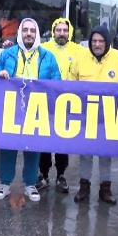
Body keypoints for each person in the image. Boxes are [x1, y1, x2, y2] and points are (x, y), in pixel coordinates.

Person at [0, 18, 61, 202]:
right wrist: (0, 75)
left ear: (37, 34)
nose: (28, 33)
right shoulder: (8, 54)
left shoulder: (48, 56)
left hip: (37, 109)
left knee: (33, 147)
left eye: (32, 30)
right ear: (20, 33)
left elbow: (57, 81)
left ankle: (30, 184)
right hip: (11, 108)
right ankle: (4, 184)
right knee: (8, 145)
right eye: (25, 30)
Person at [70, 25, 118, 205]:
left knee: (105, 154)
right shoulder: (80, 58)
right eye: (94, 41)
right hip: (85, 116)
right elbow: (70, 85)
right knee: (85, 153)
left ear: (107, 42)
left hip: (109, 116)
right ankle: (84, 187)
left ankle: (105, 189)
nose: (97, 44)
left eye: (101, 41)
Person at [36, 18, 85, 194]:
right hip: (46, 102)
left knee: (63, 142)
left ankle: (61, 175)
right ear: (53, 31)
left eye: (65, 30)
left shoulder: (79, 51)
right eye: (59, 30)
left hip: (68, 103)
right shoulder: (43, 49)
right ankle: (43, 174)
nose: (62, 33)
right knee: (44, 141)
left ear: (69, 32)